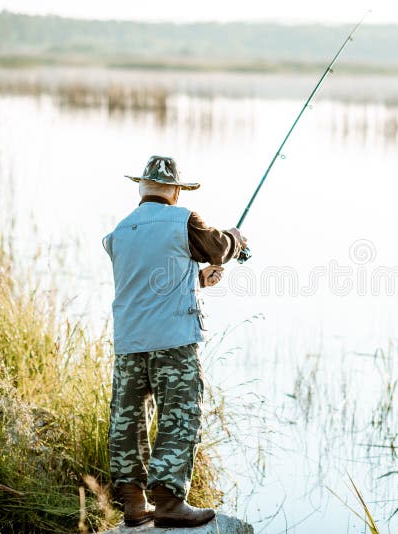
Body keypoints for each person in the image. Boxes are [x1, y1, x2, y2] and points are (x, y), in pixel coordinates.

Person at [102, 155, 246, 528]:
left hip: (130, 342)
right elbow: (217, 248)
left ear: (141, 187)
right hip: (174, 342)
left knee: (128, 420)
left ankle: (134, 504)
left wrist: (196, 281)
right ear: (176, 191)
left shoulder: (120, 231)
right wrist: (237, 238)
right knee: (180, 415)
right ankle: (167, 502)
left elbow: (146, 282)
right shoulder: (183, 220)